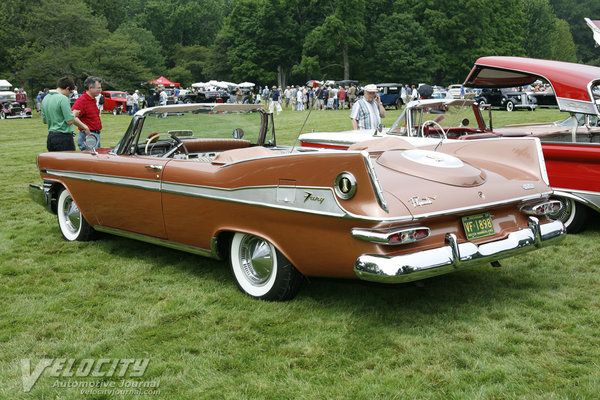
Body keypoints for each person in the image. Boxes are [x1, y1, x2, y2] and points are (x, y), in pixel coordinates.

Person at [41, 77, 87, 151]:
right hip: (63, 138)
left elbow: (44, 121)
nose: (69, 95)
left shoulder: (46, 98)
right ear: (67, 88)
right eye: (70, 92)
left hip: (51, 137)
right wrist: (74, 113)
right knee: (68, 162)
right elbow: (70, 121)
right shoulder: (63, 98)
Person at [72, 76, 103, 151]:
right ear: (90, 88)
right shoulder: (82, 100)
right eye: (98, 88)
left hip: (94, 135)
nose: (100, 90)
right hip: (88, 136)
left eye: (100, 88)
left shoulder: (92, 99)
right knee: (92, 160)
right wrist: (85, 127)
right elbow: (72, 117)